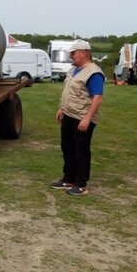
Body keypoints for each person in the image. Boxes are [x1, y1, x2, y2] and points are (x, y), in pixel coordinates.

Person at [50, 39, 104, 196]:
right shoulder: (73, 70)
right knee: (67, 147)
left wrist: (87, 118)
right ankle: (69, 178)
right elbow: (70, 92)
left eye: (73, 53)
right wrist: (62, 108)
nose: (71, 56)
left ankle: (81, 184)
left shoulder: (93, 73)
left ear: (84, 53)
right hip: (68, 115)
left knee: (81, 151)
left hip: (82, 118)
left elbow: (97, 97)